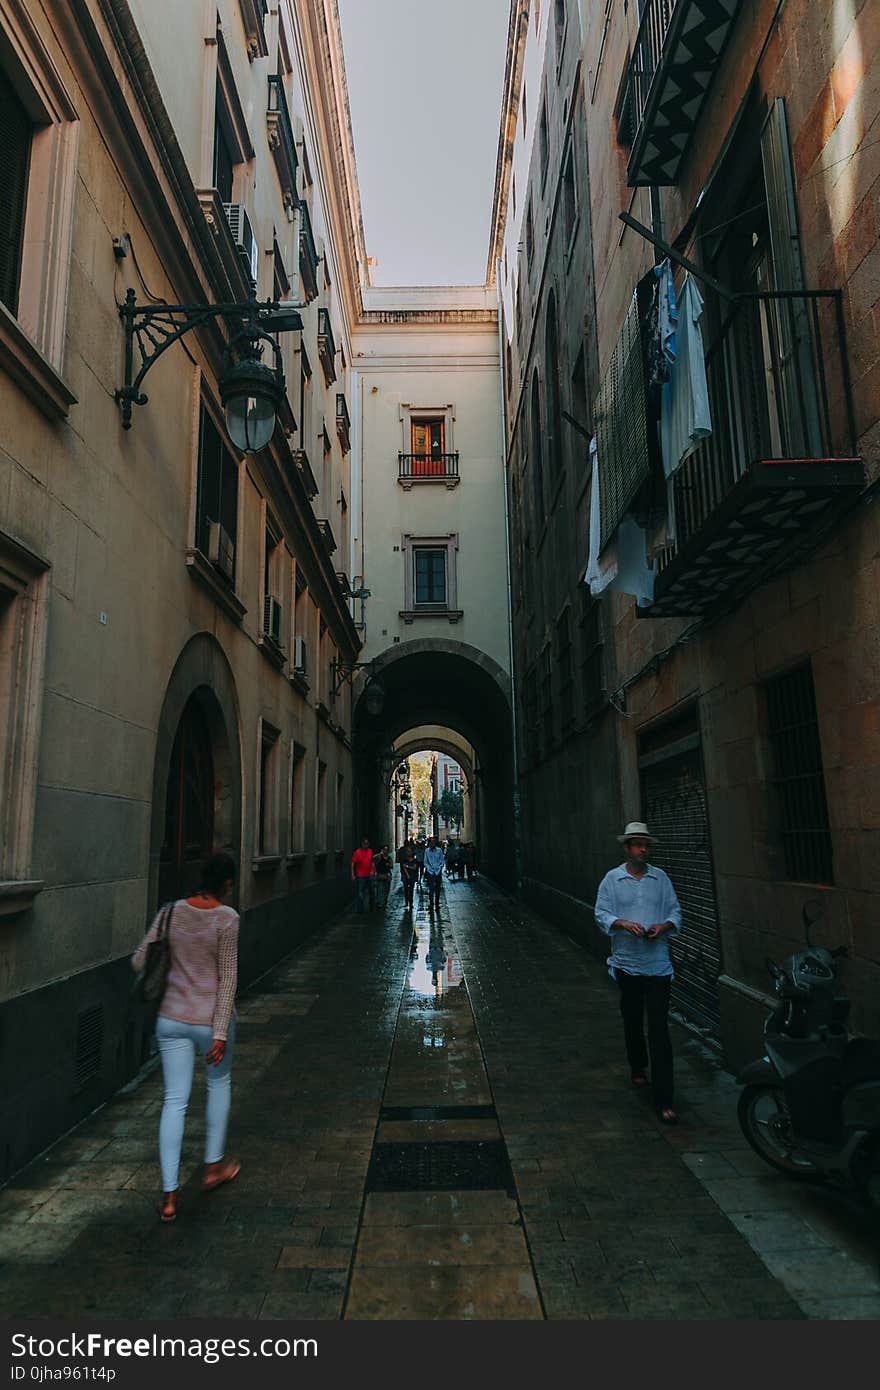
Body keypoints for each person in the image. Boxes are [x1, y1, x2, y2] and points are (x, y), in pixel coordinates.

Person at [131, 851, 240, 1223]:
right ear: (227, 883)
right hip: (210, 1022)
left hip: (171, 1018)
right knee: (219, 1085)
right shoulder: (227, 919)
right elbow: (228, 980)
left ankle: (169, 1195)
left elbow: (139, 960)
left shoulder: (170, 912)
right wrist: (221, 1032)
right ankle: (213, 1167)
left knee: (174, 1101)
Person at [594, 821, 683, 1126]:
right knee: (632, 1019)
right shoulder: (612, 880)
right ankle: (637, 1066)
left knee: (659, 1029)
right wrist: (622, 923)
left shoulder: (661, 879)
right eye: (637, 844)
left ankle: (665, 1098)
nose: (643, 849)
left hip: (658, 964)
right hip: (627, 963)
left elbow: (675, 912)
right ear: (627, 848)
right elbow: (601, 914)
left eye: (646, 845)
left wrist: (664, 927)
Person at [351, 837, 374, 912]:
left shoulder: (370, 851)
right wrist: (353, 874)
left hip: (370, 874)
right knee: (361, 893)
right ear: (362, 844)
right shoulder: (357, 852)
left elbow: (372, 862)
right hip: (361, 875)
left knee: (372, 891)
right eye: (364, 844)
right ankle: (360, 909)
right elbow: (353, 864)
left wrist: (374, 872)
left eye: (367, 844)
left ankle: (371, 906)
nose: (366, 845)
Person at [423, 835, 445, 910]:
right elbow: (425, 862)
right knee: (431, 888)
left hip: (438, 871)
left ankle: (437, 903)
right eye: (431, 842)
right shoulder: (427, 851)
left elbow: (442, 860)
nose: (432, 843)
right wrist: (430, 870)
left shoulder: (439, 850)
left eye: (434, 842)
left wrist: (440, 868)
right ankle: (431, 903)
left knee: (438, 888)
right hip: (430, 872)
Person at [399, 842, 419, 911]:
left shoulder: (415, 860)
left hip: (412, 876)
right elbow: (403, 868)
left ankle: (411, 902)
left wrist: (407, 866)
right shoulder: (404, 859)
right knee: (406, 890)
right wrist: (407, 874)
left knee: (411, 890)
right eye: (407, 851)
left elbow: (414, 868)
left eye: (410, 851)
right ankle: (406, 902)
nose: (408, 853)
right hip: (406, 876)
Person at [373, 845, 393, 909]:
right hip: (380, 875)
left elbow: (391, 866)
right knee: (380, 889)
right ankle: (380, 903)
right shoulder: (378, 857)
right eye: (384, 849)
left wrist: (389, 865)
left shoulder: (389, 858)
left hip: (387, 875)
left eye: (387, 850)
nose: (385, 851)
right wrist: (375, 872)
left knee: (386, 890)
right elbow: (373, 862)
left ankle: (384, 902)